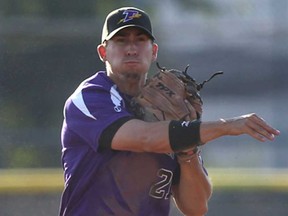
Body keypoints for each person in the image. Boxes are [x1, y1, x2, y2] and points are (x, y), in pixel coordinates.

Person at [58, 7, 280, 216]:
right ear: (103, 51)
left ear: (154, 51)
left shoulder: (172, 115)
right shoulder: (90, 97)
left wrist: (187, 150)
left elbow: (196, 207)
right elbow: (144, 138)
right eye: (121, 40)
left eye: (140, 40)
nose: (132, 49)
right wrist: (225, 126)